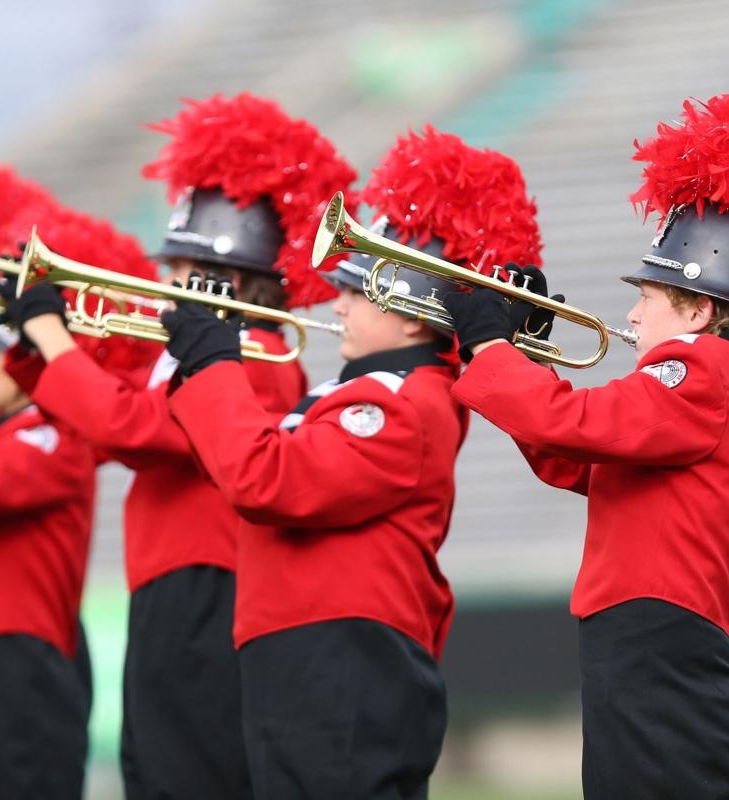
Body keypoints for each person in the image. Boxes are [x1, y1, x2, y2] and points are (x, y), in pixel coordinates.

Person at [443, 93, 729, 799]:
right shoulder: (713, 387)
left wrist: (487, 344)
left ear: (698, 311)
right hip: (650, 646)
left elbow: (572, 426)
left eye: (650, 297)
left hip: (660, 646)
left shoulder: (704, 369)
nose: (631, 314)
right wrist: (527, 353)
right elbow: (572, 458)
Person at [158, 125, 542, 799]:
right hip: (299, 655)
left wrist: (213, 363)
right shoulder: (348, 391)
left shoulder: (402, 404)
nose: (338, 301)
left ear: (417, 315)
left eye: (361, 290)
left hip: (344, 659)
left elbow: (265, 478)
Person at [2, 92, 357, 799]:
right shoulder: (202, 353)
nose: (162, 286)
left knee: (192, 775)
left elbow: (131, 426)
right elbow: (106, 422)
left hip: (212, 589)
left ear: (224, 280)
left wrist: (50, 339)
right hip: (168, 588)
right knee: (155, 772)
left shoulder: (257, 355)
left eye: (180, 271)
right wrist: (35, 345)